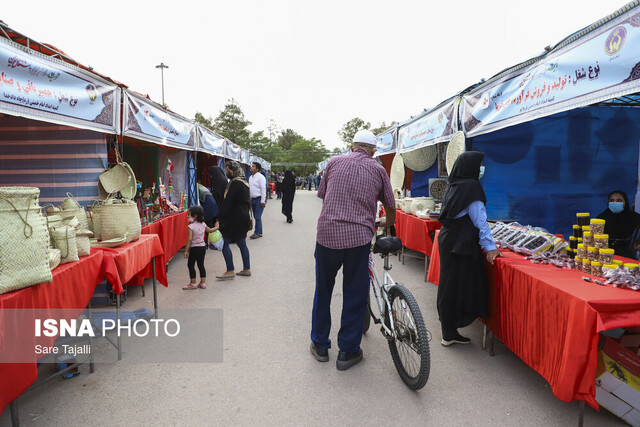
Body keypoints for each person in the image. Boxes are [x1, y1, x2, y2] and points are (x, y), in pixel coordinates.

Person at [310, 129, 396, 371]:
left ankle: (320, 345)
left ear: (352, 146)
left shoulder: (333, 162)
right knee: (355, 295)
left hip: (327, 235)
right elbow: (391, 209)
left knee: (323, 290)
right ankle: (347, 352)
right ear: (373, 151)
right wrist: (383, 223)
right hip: (358, 240)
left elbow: (323, 195)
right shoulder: (379, 170)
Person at [437, 151, 502, 346]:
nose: (482, 168)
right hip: (460, 244)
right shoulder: (472, 187)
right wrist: (490, 247)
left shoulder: (454, 185)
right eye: (480, 164)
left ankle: (448, 329)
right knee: (458, 285)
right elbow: (480, 220)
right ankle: (449, 331)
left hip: (449, 239)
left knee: (449, 284)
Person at [217, 161, 251, 280]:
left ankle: (230, 270)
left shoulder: (235, 183)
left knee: (225, 243)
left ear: (234, 170)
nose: (227, 173)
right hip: (243, 217)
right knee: (242, 243)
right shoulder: (244, 182)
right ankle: (246, 269)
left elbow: (228, 203)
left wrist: (220, 218)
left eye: (228, 171)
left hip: (234, 218)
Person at [183, 206, 219, 290]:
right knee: (201, 264)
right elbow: (210, 230)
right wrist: (217, 227)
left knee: (191, 265)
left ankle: (192, 283)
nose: (187, 216)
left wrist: (186, 250)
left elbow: (189, 239)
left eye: (189, 215)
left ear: (195, 216)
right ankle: (203, 282)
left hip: (195, 248)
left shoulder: (191, 226)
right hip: (202, 247)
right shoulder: (203, 224)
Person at [597, 190, 640, 259]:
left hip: (624, 251)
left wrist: (638, 242)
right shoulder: (602, 217)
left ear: (625, 202)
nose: (615, 203)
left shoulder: (632, 217)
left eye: (619, 200)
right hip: (604, 251)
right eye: (612, 200)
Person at [248, 161, 267, 239]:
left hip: (259, 199)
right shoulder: (250, 177)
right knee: (256, 217)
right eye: (251, 166)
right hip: (253, 199)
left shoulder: (261, 177)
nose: (251, 167)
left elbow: (263, 189)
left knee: (257, 216)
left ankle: (256, 233)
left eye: (253, 166)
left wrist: (263, 201)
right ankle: (260, 232)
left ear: (257, 169)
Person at [197, 182, 218, 247]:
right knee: (210, 223)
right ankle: (212, 243)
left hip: (207, 205)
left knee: (206, 225)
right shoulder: (199, 185)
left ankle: (206, 243)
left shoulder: (194, 187)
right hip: (213, 204)